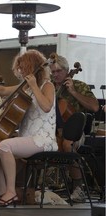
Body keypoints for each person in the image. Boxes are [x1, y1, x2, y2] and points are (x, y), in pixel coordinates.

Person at [0, 50, 58, 206]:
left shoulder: (47, 85)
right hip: (27, 138)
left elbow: (47, 106)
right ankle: (2, 191)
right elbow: (2, 90)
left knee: (5, 146)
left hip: (43, 139)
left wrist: (34, 86)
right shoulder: (25, 87)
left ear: (31, 67)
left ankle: (11, 192)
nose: (20, 72)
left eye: (22, 68)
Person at [50, 55, 99, 202]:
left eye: (59, 71)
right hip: (53, 131)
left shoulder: (79, 85)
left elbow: (95, 107)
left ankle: (79, 187)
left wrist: (73, 92)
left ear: (66, 70)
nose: (56, 74)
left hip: (76, 132)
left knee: (67, 143)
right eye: (53, 72)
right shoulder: (49, 88)